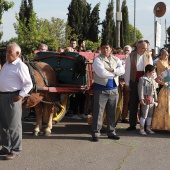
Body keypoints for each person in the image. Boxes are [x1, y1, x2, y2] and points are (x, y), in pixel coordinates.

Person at [0, 42, 33, 160]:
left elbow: (28, 84)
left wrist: (20, 95)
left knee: (14, 125)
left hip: (12, 97)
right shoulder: (6, 65)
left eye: (10, 52)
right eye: (6, 52)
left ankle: (15, 149)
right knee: (3, 124)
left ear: (17, 53)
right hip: (2, 96)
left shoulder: (20, 66)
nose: (7, 54)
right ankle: (6, 147)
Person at [91, 41, 125, 142]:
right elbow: (102, 73)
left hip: (114, 89)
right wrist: (115, 73)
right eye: (103, 48)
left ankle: (111, 132)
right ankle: (96, 133)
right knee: (98, 112)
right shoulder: (97, 60)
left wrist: (112, 70)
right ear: (100, 49)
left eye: (107, 48)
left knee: (112, 112)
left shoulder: (116, 59)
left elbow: (122, 70)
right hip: (101, 89)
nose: (105, 50)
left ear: (111, 49)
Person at [124, 40, 153, 131]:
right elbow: (127, 70)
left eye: (146, 48)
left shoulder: (148, 56)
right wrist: (127, 83)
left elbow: (151, 70)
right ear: (138, 47)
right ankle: (132, 125)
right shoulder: (131, 56)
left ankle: (143, 125)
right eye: (143, 48)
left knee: (144, 104)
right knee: (133, 103)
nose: (145, 50)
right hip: (134, 82)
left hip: (145, 83)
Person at [152, 51, 170, 131]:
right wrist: (163, 83)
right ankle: (164, 126)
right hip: (166, 92)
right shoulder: (167, 72)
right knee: (165, 109)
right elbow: (156, 79)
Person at [138, 64, 157, 135]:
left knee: (150, 114)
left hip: (151, 98)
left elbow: (154, 90)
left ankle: (148, 128)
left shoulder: (152, 79)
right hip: (145, 98)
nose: (153, 73)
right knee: (144, 114)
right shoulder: (142, 79)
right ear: (148, 72)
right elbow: (140, 90)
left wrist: (155, 99)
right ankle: (141, 129)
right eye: (152, 72)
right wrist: (141, 99)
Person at [121, 45, 132, 123]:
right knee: (125, 101)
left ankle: (135, 117)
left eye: (128, 50)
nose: (126, 51)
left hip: (131, 81)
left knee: (133, 101)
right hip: (122, 81)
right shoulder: (120, 60)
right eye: (125, 50)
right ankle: (123, 117)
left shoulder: (132, 60)